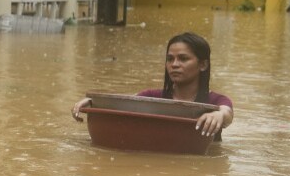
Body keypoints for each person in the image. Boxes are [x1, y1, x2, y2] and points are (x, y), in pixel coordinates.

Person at [72, 31, 234, 138]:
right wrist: (94, 103)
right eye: (170, 59)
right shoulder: (151, 97)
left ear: (203, 65)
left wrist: (218, 115)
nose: (174, 64)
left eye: (183, 59)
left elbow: (227, 114)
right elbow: (122, 104)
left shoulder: (216, 101)